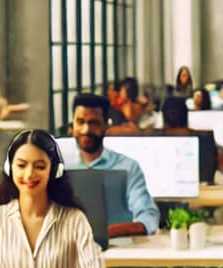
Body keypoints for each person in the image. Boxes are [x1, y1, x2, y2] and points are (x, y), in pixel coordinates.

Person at [0, 130, 108, 268]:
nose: (29, 174)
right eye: (21, 165)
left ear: (54, 170)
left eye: (40, 166)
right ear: (9, 168)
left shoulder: (73, 219)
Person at [62, 92, 159, 237]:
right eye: (80, 122)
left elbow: (148, 218)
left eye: (93, 123)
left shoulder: (128, 167)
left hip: (117, 251)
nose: (86, 130)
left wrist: (105, 233)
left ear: (106, 125)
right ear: (72, 124)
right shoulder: (59, 164)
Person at [161, 96, 223, 173]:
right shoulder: (206, 137)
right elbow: (222, 166)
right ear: (186, 115)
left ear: (164, 118)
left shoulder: (155, 139)